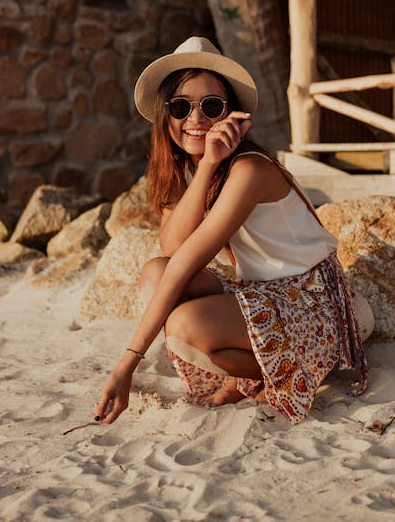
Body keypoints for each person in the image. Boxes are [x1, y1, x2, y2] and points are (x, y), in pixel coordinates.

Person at [95, 37, 368, 425]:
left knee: (186, 325)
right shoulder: (185, 168)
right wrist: (206, 166)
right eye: (180, 106)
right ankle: (250, 373)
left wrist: (126, 365)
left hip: (313, 300)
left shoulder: (249, 170)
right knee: (155, 274)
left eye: (211, 106)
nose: (195, 118)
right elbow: (172, 248)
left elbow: (188, 260)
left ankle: (281, 371)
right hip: (263, 292)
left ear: (231, 114)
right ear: (165, 114)